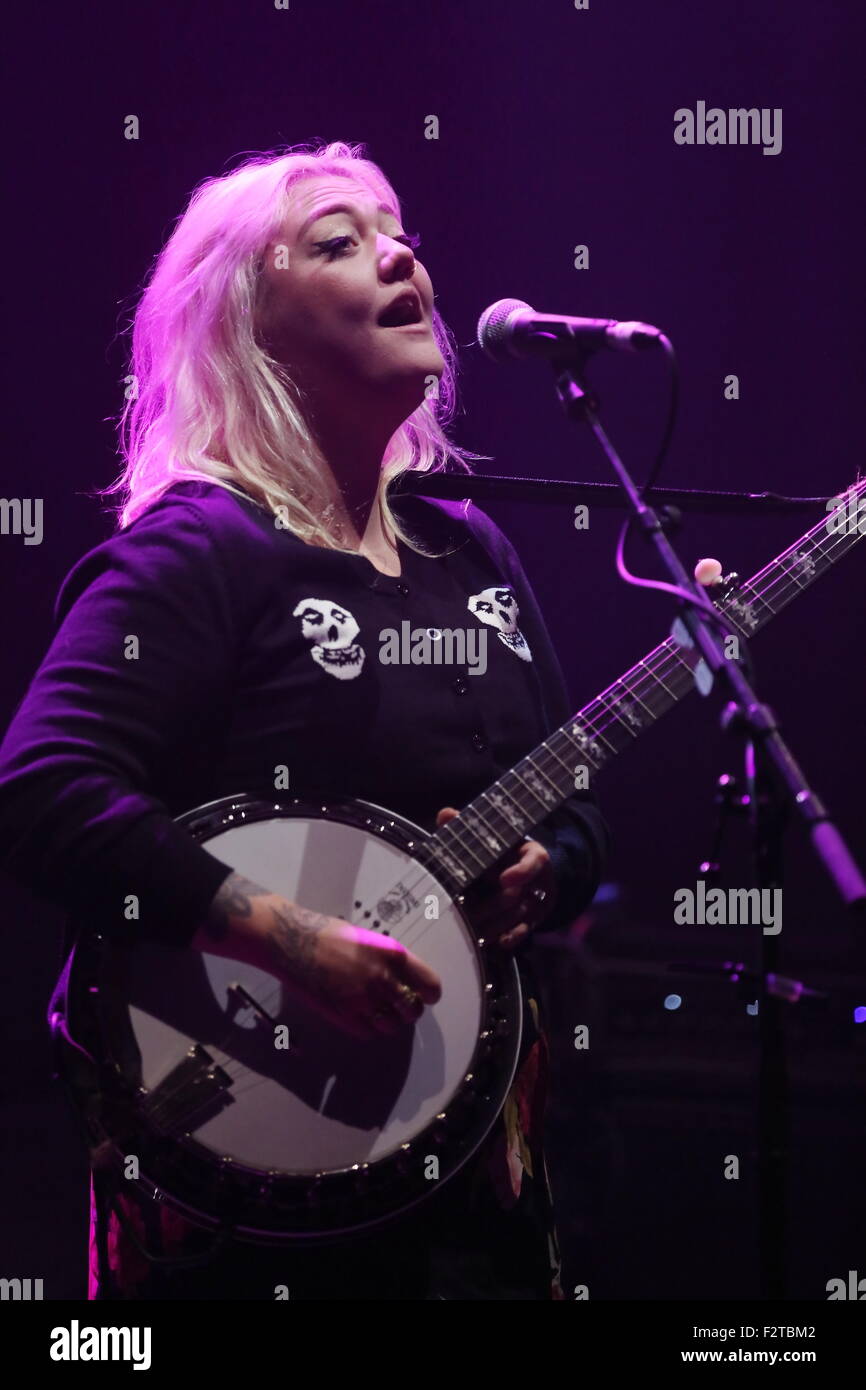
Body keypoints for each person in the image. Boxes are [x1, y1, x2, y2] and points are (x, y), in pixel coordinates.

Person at [0, 139, 609, 1300]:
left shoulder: (468, 548)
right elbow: (43, 786)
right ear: (249, 326)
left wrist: (552, 866)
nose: (401, 259)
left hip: (468, 1176)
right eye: (341, 241)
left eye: (400, 236)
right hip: (245, 1188)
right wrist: (279, 936)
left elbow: (574, 796)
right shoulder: (201, 552)